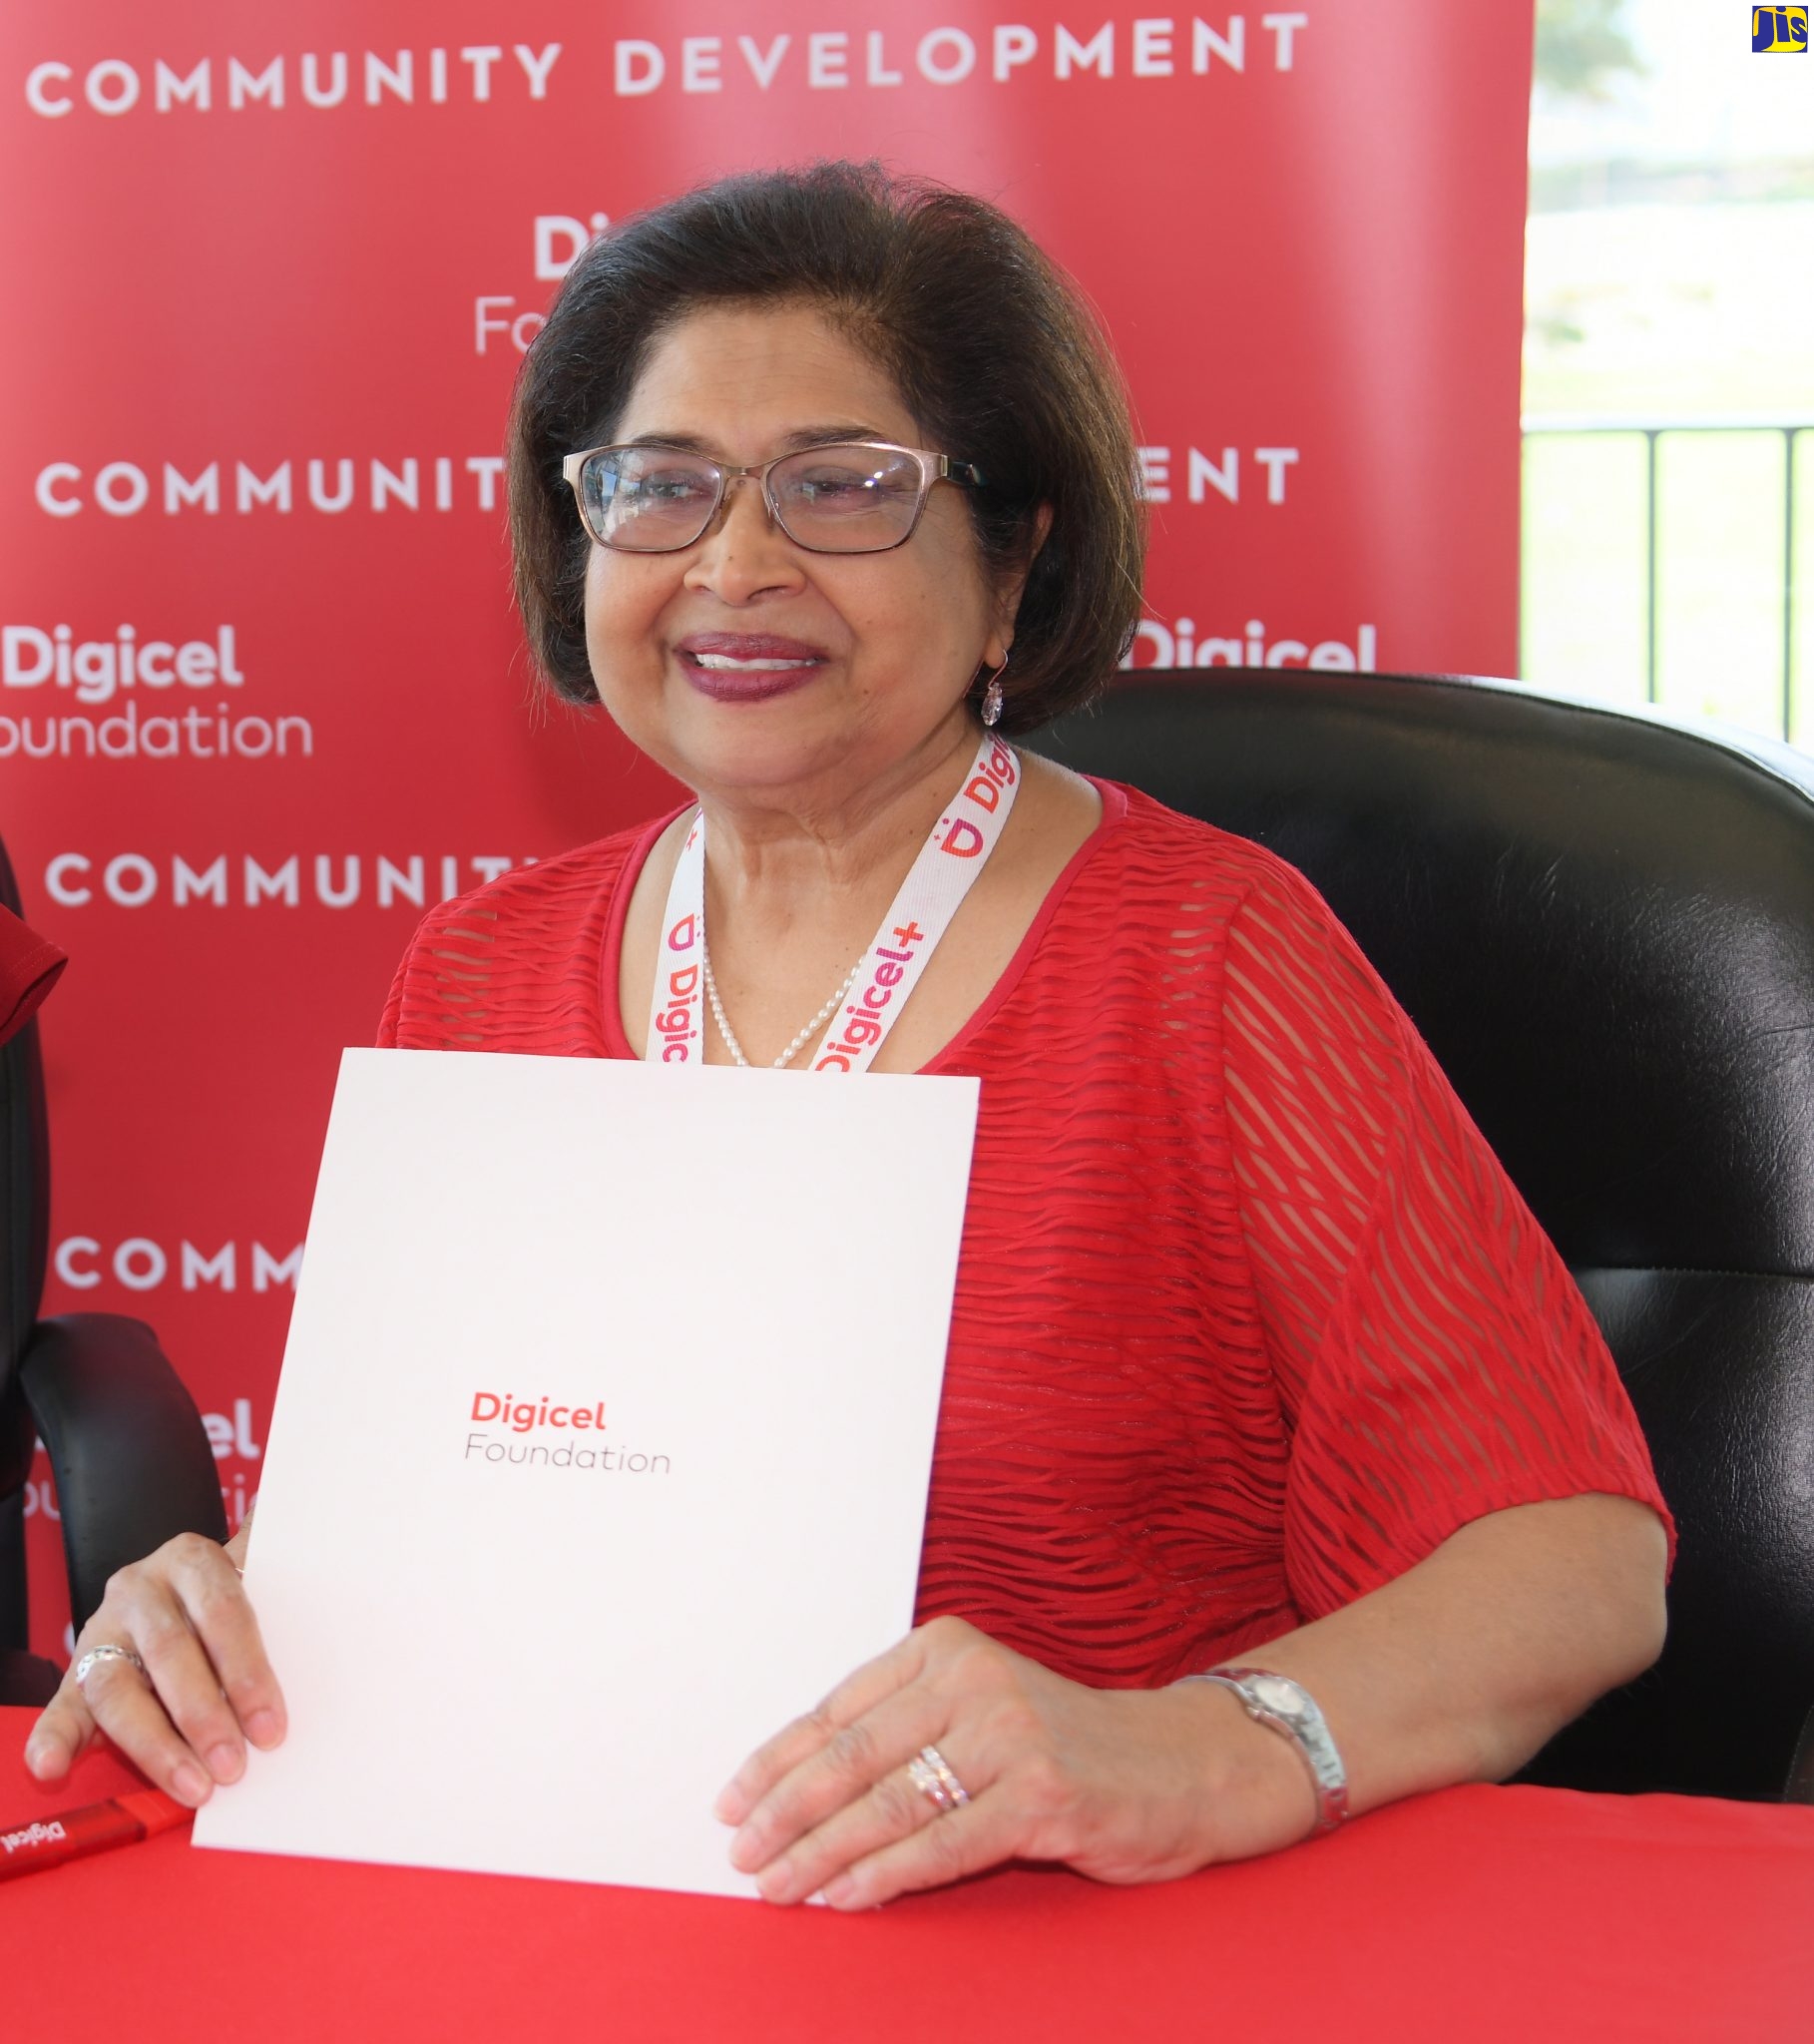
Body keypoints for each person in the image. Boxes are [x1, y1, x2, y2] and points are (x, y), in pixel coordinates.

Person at [25, 162, 1673, 1909]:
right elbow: (432, 1505)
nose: (735, 563)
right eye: (657, 489)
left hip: (1062, 1932)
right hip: (559, 1910)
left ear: (1017, 560)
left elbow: (1572, 1560)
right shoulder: (486, 967)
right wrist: (220, 1598)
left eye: (841, 488)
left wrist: (1200, 1748)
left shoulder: (1210, 957)